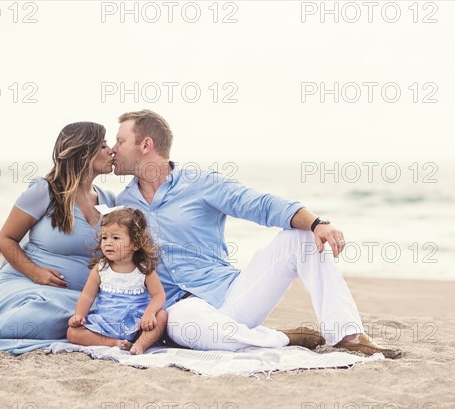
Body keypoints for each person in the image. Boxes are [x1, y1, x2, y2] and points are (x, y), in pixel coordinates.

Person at [112, 110, 402, 359]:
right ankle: (284, 338)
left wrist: (317, 224)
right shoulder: (121, 205)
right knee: (189, 325)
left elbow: (259, 204)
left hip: (232, 294)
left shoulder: (200, 184)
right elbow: (96, 250)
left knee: (299, 238)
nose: (114, 148)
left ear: (146, 144)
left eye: (120, 141)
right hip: (180, 309)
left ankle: (348, 336)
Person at [0, 122, 116, 355]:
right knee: (54, 309)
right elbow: (5, 239)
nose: (111, 151)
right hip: (24, 287)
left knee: (93, 312)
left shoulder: (109, 201)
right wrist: (36, 273)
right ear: (84, 151)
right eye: (103, 145)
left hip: (77, 297)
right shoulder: (45, 190)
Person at [67, 208, 167, 355]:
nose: (108, 243)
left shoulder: (144, 270)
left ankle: (140, 345)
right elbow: (87, 296)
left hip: (136, 324)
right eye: (104, 238)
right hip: (105, 325)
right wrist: (79, 315)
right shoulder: (100, 268)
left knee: (162, 316)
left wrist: (150, 313)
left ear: (136, 244)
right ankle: (115, 343)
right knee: (72, 333)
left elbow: (159, 295)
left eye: (115, 238)